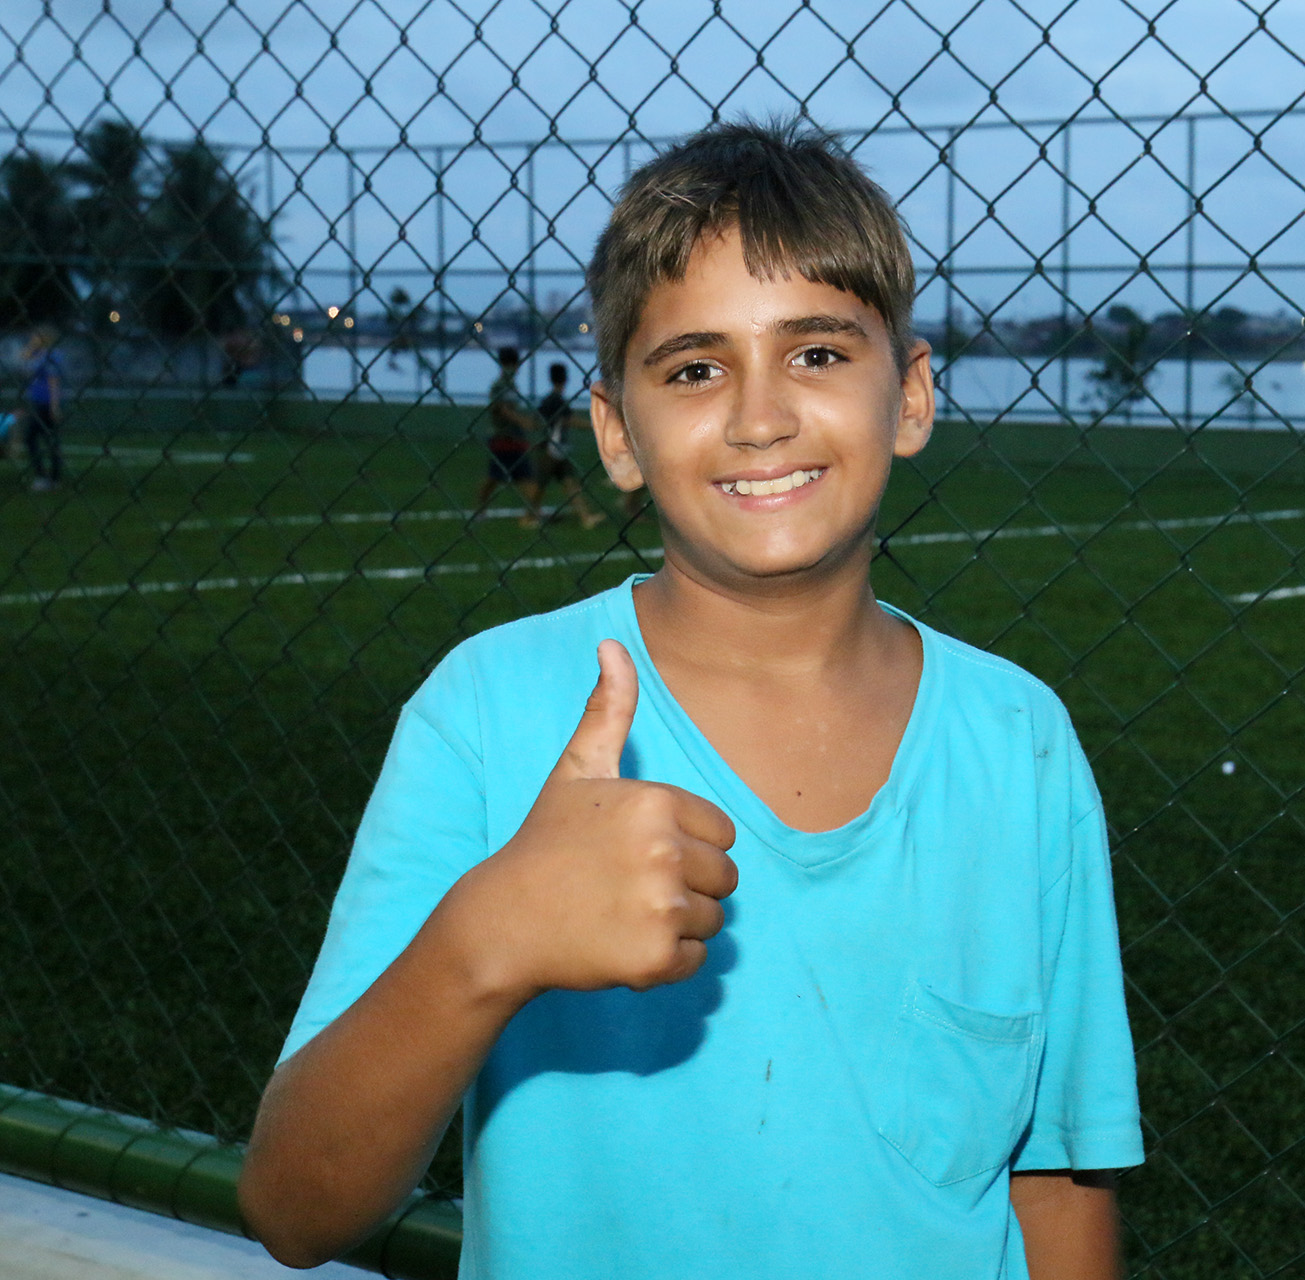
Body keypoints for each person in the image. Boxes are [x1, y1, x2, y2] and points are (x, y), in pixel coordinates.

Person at [237, 119, 1141, 1279]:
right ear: (617, 432)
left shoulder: (1020, 741)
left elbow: (1057, 1180)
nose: (760, 417)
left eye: (818, 353)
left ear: (911, 397)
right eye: (696, 369)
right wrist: (488, 937)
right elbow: (295, 1206)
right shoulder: (491, 712)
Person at [473, 346, 541, 528]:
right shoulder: (500, 386)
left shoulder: (512, 386)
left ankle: (533, 513)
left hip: (515, 437)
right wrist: (523, 421)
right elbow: (502, 410)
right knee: (498, 478)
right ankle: (531, 514)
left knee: (520, 476)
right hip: (503, 437)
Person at [532, 361, 605, 528]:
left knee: (569, 482)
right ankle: (529, 515)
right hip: (552, 448)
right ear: (566, 378)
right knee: (542, 483)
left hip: (555, 447)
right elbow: (568, 420)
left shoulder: (549, 400)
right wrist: (594, 425)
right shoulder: (556, 400)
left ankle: (585, 517)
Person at [19, 326, 64, 492]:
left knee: (33, 438)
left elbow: (53, 381)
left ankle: (44, 477)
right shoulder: (38, 355)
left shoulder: (51, 355)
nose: (32, 339)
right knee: (49, 440)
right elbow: (23, 361)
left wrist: (54, 406)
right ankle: (53, 478)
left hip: (46, 403)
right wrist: (31, 348)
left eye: (35, 336)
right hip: (38, 402)